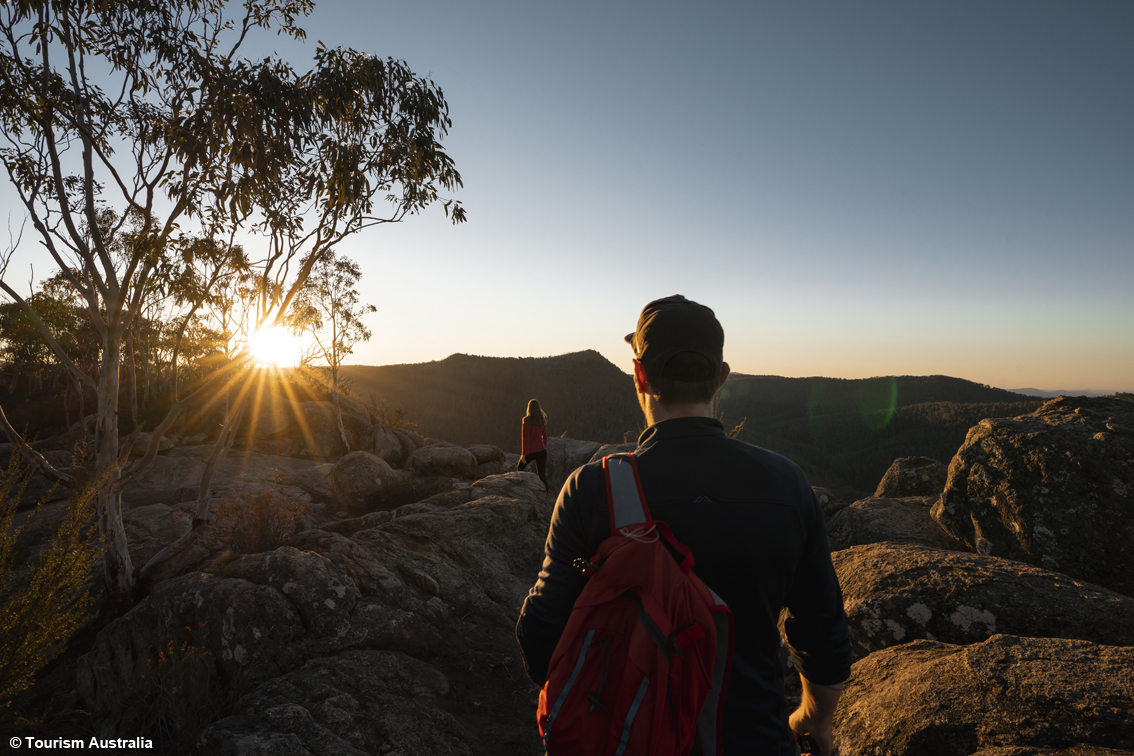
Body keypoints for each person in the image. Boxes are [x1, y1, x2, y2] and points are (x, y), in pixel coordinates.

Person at [515, 295, 852, 755]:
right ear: (721, 379)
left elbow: (541, 639)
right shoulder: (788, 484)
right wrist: (814, 716)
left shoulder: (593, 490)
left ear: (639, 376)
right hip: (756, 741)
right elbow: (824, 636)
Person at [518, 398, 549, 489]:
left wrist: (524, 454)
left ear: (529, 408)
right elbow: (545, 437)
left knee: (520, 469)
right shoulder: (541, 419)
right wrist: (544, 448)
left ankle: (520, 488)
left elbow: (525, 438)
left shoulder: (526, 420)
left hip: (531, 451)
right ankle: (546, 493)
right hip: (542, 451)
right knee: (542, 476)